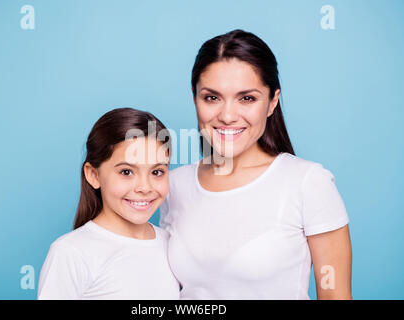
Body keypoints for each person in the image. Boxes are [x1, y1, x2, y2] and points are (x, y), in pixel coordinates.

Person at [160, 29, 352, 300]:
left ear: (272, 102)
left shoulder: (308, 183)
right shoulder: (174, 185)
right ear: (195, 98)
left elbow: (335, 296)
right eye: (211, 97)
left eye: (247, 98)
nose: (227, 115)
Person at [38, 108, 180, 299]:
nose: (145, 187)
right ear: (94, 175)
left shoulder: (172, 245)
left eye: (157, 172)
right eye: (126, 172)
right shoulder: (71, 253)